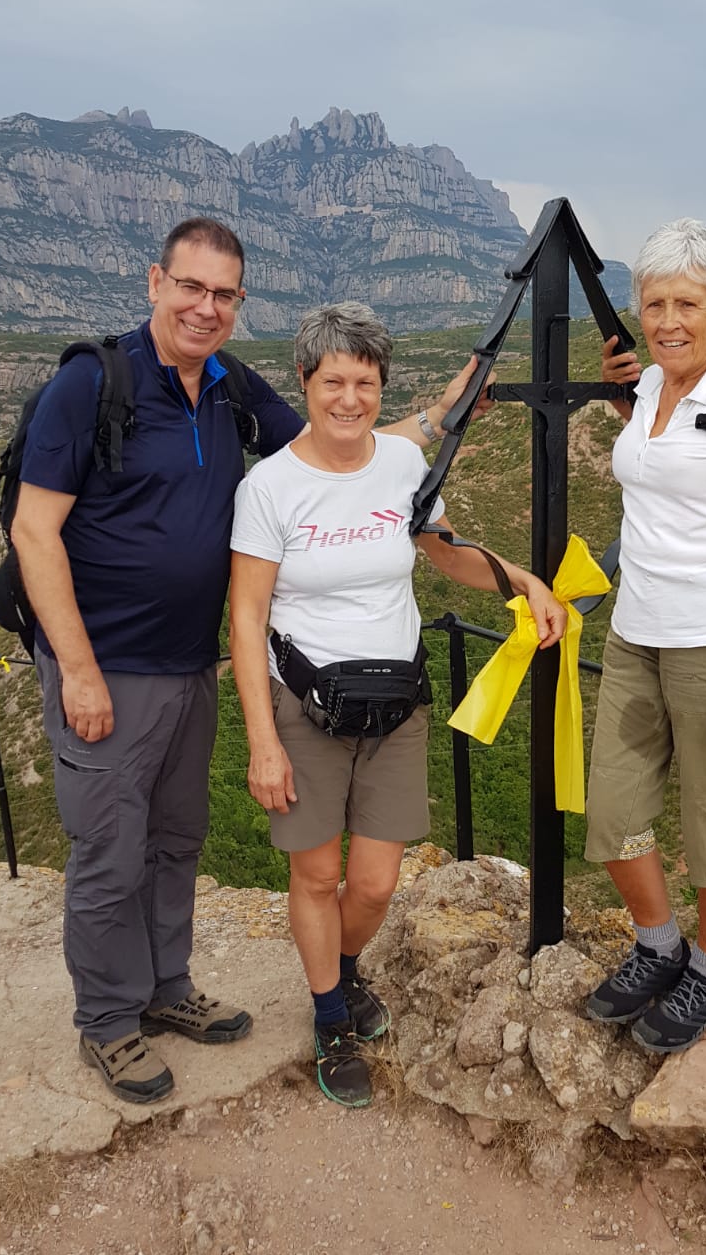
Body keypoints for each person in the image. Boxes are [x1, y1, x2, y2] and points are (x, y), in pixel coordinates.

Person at [11, 219, 495, 1105]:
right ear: (155, 282)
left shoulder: (229, 384)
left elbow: (337, 446)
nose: (205, 308)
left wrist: (442, 412)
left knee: (175, 838)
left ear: (239, 302)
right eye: (190, 287)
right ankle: (109, 1022)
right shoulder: (92, 384)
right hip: (105, 664)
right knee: (110, 850)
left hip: (189, 662)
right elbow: (33, 530)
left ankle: (166, 987)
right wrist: (76, 669)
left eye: (223, 294)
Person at [229, 301, 567, 1108]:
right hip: (304, 705)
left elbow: (444, 554)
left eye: (365, 383)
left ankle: (341, 973)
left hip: (395, 703)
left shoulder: (402, 465)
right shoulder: (269, 487)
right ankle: (329, 1016)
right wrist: (261, 744)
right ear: (304, 381)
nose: (349, 399)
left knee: (376, 883)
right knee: (317, 874)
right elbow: (244, 617)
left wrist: (521, 581)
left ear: (382, 386)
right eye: (333, 382)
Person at [585, 218, 706, 1052]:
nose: (666, 320)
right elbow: (662, 473)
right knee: (612, 807)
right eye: (654, 303)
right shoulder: (653, 387)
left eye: (685, 304)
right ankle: (658, 946)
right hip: (634, 633)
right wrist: (623, 398)